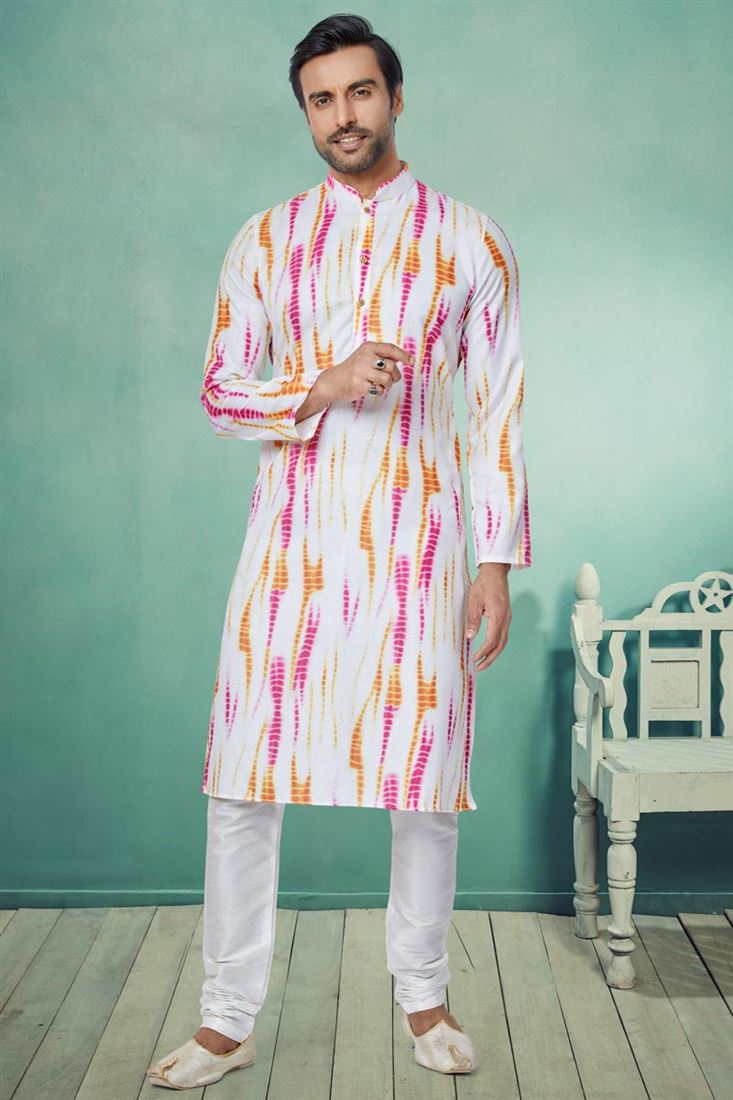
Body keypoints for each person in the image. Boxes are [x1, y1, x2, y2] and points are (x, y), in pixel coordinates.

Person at [146, 11, 532, 1090]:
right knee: (242, 782)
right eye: (321, 99)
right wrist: (317, 385)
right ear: (306, 114)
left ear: (395, 98)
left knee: (425, 785)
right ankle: (227, 1019)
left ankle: (425, 1000)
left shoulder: (471, 240)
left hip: (423, 546)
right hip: (291, 548)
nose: (342, 115)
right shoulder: (264, 241)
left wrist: (494, 563)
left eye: (360, 92)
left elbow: (497, 411)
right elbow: (221, 393)